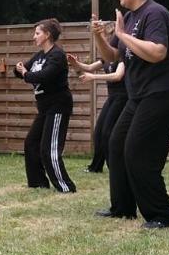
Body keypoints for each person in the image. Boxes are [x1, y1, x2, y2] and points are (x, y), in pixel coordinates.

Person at [93, 0, 169, 229]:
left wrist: (121, 34)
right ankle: (122, 207)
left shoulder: (154, 13)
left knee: (138, 152)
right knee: (116, 144)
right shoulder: (130, 18)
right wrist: (101, 37)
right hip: (138, 94)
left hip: (161, 91)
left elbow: (157, 52)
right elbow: (111, 57)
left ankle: (164, 215)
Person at [13, 18, 76, 192]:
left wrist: (25, 73)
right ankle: (38, 183)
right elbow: (24, 71)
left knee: (49, 149)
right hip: (44, 108)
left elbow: (42, 76)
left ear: (47, 35)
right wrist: (19, 69)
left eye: (37, 33)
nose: (34, 37)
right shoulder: (40, 55)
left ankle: (66, 187)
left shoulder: (57, 55)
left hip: (58, 106)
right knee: (31, 143)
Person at [69, 39, 127, 174]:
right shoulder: (105, 59)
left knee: (108, 133)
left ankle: (115, 167)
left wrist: (94, 77)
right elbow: (89, 68)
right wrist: (75, 63)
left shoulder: (123, 58)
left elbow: (118, 76)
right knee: (99, 133)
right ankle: (96, 166)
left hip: (123, 97)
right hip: (112, 97)